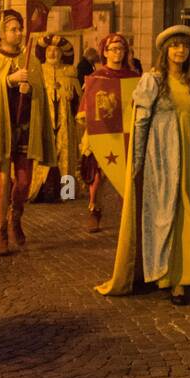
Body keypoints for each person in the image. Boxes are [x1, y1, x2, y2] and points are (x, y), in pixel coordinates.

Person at [95, 25, 190, 305]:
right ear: (165, 50)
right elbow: (142, 121)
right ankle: (169, 277)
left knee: (188, 208)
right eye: (174, 46)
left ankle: (186, 274)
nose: (180, 51)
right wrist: (138, 161)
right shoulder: (153, 79)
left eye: (184, 46)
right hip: (162, 155)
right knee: (168, 212)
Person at [0, 9, 57, 255]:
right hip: (1, 128)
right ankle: (0, 228)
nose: (18, 33)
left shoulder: (32, 60)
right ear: (1, 32)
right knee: (3, 179)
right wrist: (9, 81)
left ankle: (16, 215)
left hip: (24, 128)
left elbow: (40, 94)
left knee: (24, 181)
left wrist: (31, 90)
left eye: (20, 29)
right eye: (12, 29)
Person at [77, 32, 139, 233]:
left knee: (126, 174)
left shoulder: (133, 77)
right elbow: (87, 109)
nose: (117, 53)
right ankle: (94, 210)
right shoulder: (97, 78)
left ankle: (127, 215)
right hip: (104, 133)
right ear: (105, 52)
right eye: (113, 49)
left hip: (127, 131)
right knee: (98, 175)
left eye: (121, 49)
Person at [28, 35, 82, 202]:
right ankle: (39, 190)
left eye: (56, 50)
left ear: (61, 54)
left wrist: (72, 98)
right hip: (44, 121)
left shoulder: (70, 72)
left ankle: (67, 192)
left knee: (66, 155)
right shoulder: (37, 71)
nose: (52, 53)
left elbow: (79, 102)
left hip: (65, 122)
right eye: (49, 50)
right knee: (43, 154)